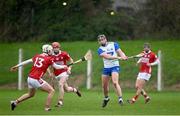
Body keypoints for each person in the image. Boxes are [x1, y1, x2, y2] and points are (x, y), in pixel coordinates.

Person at [10, 44, 67, 111]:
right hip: (36, 79)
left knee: (30, 94)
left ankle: (15, 102)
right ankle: (47, 107)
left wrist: (17, 66)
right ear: (48, 51)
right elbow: (56, 67)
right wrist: (64, 66)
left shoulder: (37, 56)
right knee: (51, 91)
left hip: (29, 78)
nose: (52, 52)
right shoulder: (49, 59)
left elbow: (26, 62)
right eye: (51, 50)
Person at [97, 34, 128, 107]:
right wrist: (119, 57)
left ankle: (120, 99)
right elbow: (107, 57)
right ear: (98, 42)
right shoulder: (100, 49)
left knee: (115, 82)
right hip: (106, 68)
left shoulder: (114, 44)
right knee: (104, 86)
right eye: (100, 40)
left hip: (115, 66)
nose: (101, 41)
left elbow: (120, 52)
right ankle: (106, 98)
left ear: (106, 39)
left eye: (102, 39)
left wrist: (123, 56)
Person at [50, 42, 81, 107]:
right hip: (57, 74)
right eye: (54, 48)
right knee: (66, 89)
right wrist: (52, 73)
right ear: (52, 48)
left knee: (60, 84)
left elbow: (71, 61)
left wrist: (69, 69)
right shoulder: (50, 56)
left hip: (64, 72)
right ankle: (75, 90)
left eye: (57, 47)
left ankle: (60, 102)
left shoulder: (64, 54)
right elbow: (51, 65)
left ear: (59, 47)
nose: (55, 49)